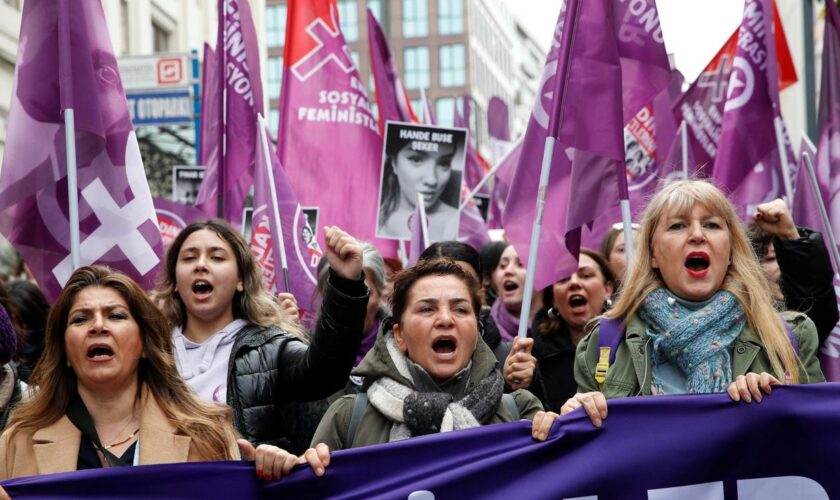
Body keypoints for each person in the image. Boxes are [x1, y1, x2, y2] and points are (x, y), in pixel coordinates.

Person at [0, 266, 319, 483]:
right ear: (65, 350)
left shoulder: (206, 434)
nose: (98, 326)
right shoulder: (18, 440)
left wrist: (271, 478)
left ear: (144, 344)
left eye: (116, 315)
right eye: (81, 319)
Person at [564, 180, 825, 427]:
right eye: (678, 226)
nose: (697, 235)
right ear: (653, 254)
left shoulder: (789, 336)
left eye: (711, 225)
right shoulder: (604, 344)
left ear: (731, 250)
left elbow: (820, 443)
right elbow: (586, 461)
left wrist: (782, 403)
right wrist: (573, 419)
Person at [155, 220, 369, 453]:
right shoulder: (149, 350)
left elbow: (324, 373)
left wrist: (345, 285)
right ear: (175, 282)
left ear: (240, 280)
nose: (201, 265)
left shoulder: (268, 348)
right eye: (189, 258)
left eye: (217, 257)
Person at [309, 259, 556, 452]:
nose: (446, 319)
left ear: (476, 330)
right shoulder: (347, 418)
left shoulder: (520, 413)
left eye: (460, 309)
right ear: (400, 335)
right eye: (427, 309)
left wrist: (570, 427)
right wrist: (283, 467)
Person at [419, 241, 536, 391]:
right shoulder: (391, 362)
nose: (451, 291)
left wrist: (512, 386)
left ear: (480, 293)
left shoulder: (508, 358)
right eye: (437, 283)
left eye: (465, 283)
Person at [530, 249, 615, 412]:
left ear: (608, 289)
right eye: (563, 279)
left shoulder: (633, 342)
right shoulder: (531, 356)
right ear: (553, 299)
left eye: (586, 276)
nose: (574, 283)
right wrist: (519, 384)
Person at [747, 199, 838, 345]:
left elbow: (814, 301)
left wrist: (790, 236)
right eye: (771, 258)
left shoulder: (804, 328)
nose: (782, 265)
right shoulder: (737, 324)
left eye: (782, 257)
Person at [377, 127, 462, 241]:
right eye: (416, 160)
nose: (432, 180)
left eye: (444, 163)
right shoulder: (372, 218)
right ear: (394, 162)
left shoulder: (459, 224)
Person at [5, 280, 49, 384]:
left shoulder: (56, 349)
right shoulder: (6, 354)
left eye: (16, 319)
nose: (12, 326)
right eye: (7, 319)